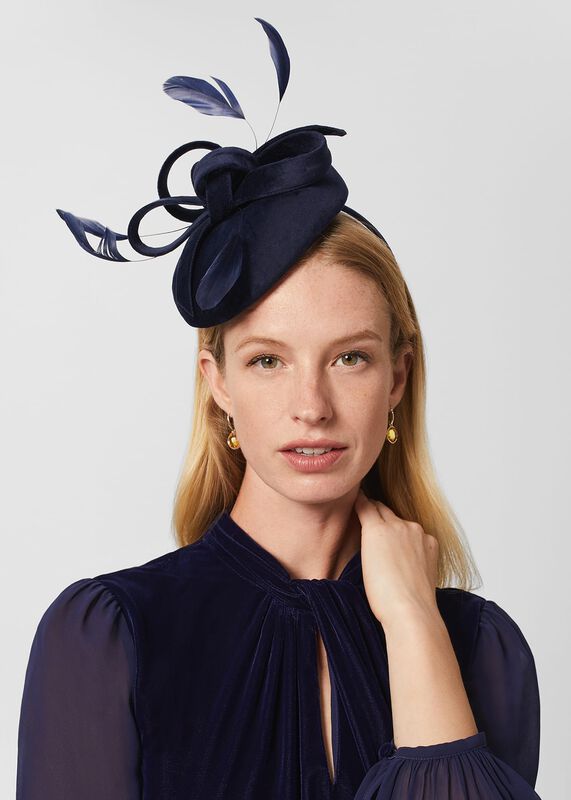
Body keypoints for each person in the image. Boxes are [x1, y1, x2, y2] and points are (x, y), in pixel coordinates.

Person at [16, 17, 542, 800]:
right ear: (218, 383)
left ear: (397, 378)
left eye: (349, 358)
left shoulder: (477, 646)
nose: (312, 407)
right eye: (268, 360)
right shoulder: (110, 637)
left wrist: (411, 622)